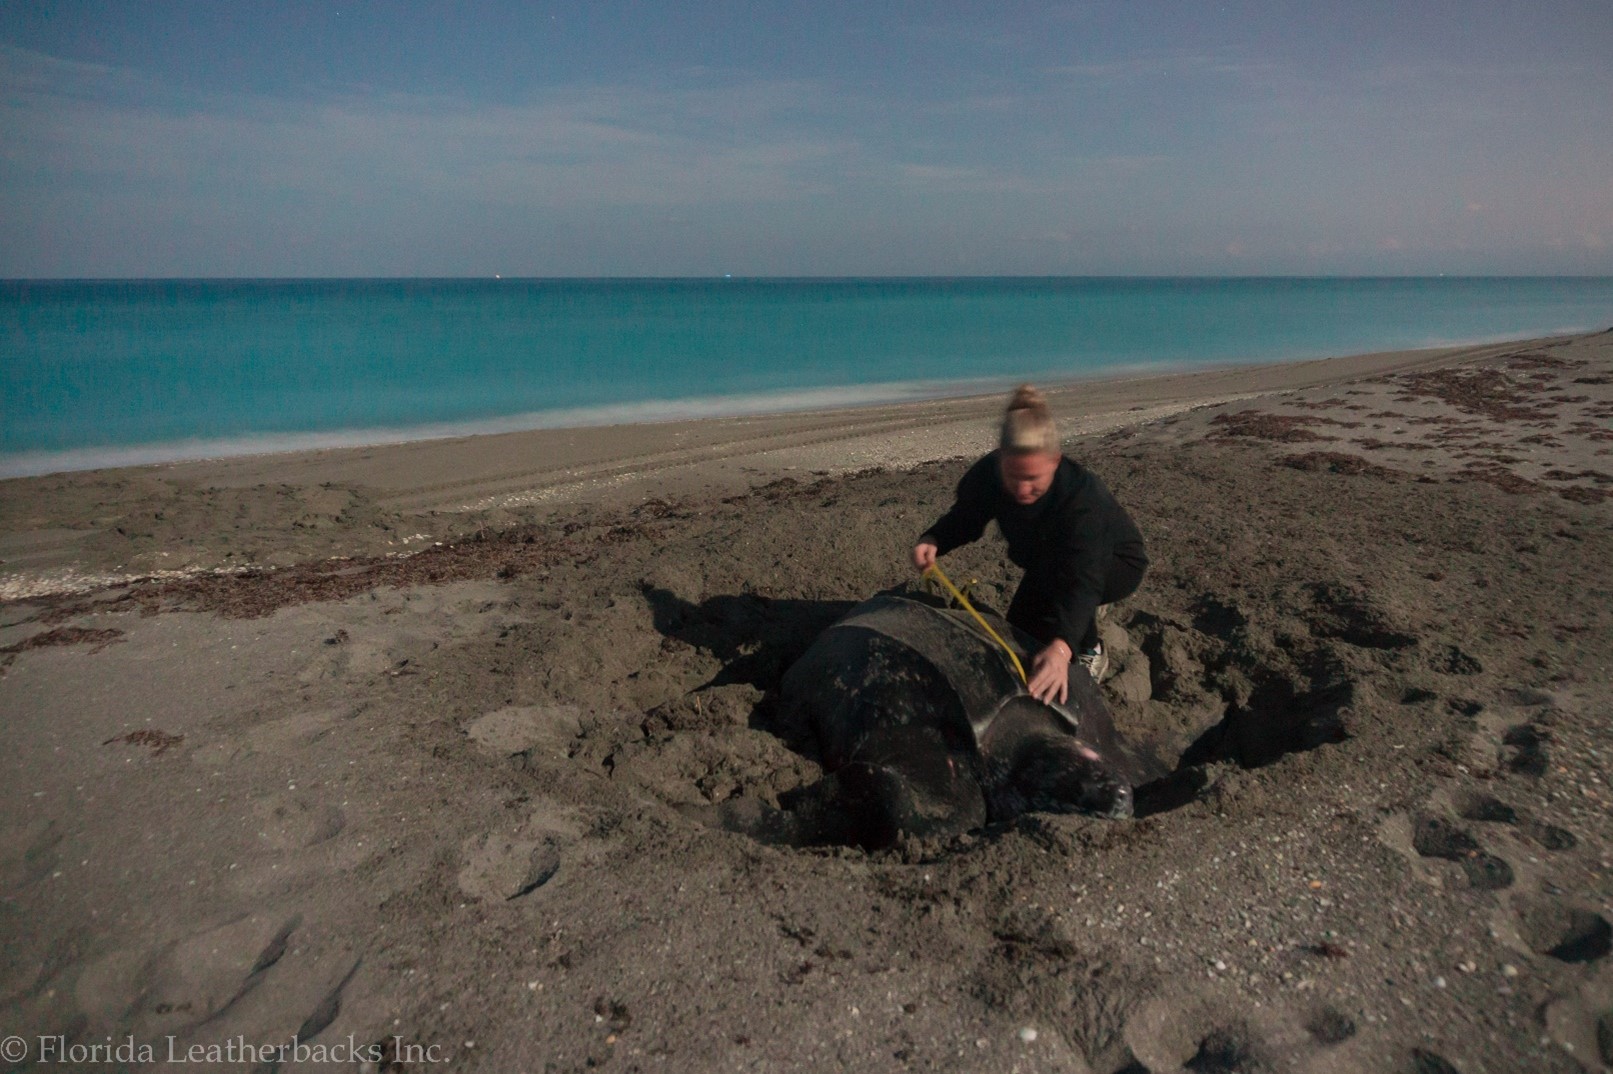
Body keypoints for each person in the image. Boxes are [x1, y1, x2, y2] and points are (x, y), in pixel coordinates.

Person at [912, 385, 1147, 705]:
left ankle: (1092, 649)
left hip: (1115, 563)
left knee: (1063, 616)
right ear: (1001, 461)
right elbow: (967, 516)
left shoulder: (1081, 497)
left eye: (1034, 479)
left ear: (1055, 460)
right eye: (1014, 476)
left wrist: (1063, 648)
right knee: (1019, 633)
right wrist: (934, 539)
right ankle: (1072, 626)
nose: (1022, 490)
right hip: (1047, 561)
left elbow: (1084, 577)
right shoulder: (989, 475)